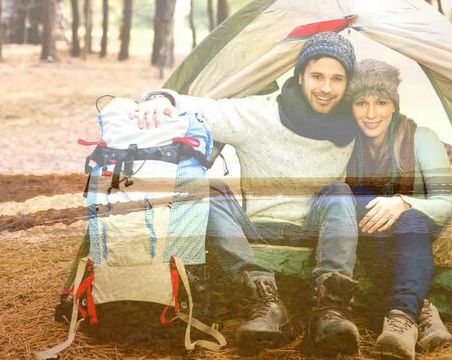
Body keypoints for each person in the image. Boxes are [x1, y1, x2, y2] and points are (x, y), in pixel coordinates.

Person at [137, 32, 362, 356]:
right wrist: (159, 99)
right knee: (210, 190)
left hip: (318, 227)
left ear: (347, 83)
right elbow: (202, 108)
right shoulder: (259, 113)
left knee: (339, 192)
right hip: (256, 224)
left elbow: (391, 127)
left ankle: (330, 311)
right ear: (300, 76)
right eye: (317, 76)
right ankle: (266, 303)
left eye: (337, 79)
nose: (326, 88)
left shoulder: (353, 121)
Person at [345, 59, 452, 359]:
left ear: (393, 104)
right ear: (350, 106)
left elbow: (446, 203)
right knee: (358, 201)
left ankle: (401, 319)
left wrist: (403, 202)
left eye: (381, 102)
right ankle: (416, 312)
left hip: (418, 229)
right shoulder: (345, 145)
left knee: (408, 219)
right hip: (372, 233)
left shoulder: (422, 138)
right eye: (361, 102)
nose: (371, 113)